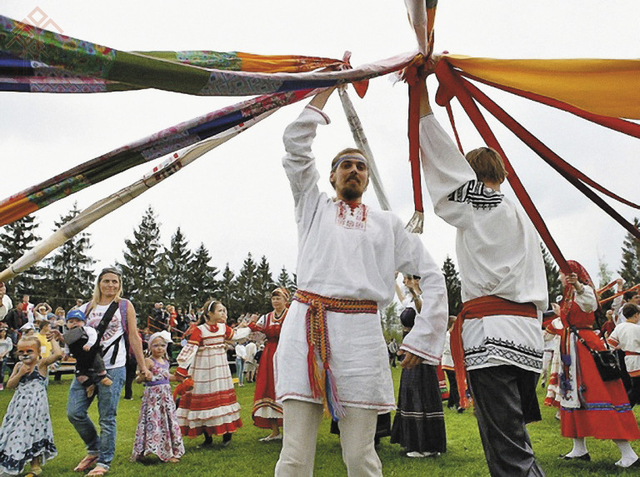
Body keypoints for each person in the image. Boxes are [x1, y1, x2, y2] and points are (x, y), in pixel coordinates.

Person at [274, 88, 448, 476]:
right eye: (345, 165)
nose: (354, 170)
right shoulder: (313, 206)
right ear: (332, 175)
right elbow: (295, 144)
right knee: (295, 455)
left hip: (361, 338)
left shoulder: (388, 224)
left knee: (361, 456)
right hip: (305, 329)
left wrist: (422, 336)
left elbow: (433, 275)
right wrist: (323, 91)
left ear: (368, 178)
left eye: (361, 166)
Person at [418, 67, 547, 476]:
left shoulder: (482, 203)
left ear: (472, 177)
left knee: (507, 450)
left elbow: (438, 153)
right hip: (526, 335)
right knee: (514, 443)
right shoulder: (520, 213)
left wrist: (419, 93)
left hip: (495, 335)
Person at [553, 262, 640, 468]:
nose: (561, 278)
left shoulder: (584, 292)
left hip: (584, 348)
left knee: (598, 393)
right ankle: (579, 448)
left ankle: (628, 454)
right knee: (572, 395)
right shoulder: (567, 297)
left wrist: (579, 287)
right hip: (571, 349)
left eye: (563, 274)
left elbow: (590, 305)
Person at [67, 267, 150, 476]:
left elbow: (133, 336)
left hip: (113, 367)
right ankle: (94, 448)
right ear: (99, 283)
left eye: (115, 282)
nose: (111, 285)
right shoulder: (86, 307)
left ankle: (104, 461)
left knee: (107, 417)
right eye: (106, 281)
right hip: (87, 368)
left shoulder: (124, 306)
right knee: (74, 412)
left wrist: (143, 366)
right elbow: (75, 336)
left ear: (119, 285)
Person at [175, 299, 250, 447]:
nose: (224, 313)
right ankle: (207, 437)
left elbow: (236, 335)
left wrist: (250, 327)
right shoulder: (200, 330)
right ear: (209, 313)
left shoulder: (223, 328)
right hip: (203, 368)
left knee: (222, 399)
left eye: (224, 310)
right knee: (204, 400)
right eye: (220, 310)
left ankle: (227, 436)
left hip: (220, 368)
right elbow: (191, 348)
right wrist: (182, 367)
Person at [391, 274, 446, 458]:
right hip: (409, 348)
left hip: (420, 350)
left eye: (408, 278)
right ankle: (414, 442)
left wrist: (415, 292)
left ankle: (426, 445)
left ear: (417, 280)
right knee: (411, 392)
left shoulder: (424, 299)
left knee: (421, 392)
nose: (405, 281)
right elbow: (401, 298)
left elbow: (423, 312)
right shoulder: (409, 301)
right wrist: (393, 280)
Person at [0, 333, 63, 476]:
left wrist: (52, 339)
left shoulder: (41, 364)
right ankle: (12, 461)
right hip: (18, 406)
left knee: (35, 432)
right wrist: (19, 374)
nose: (25, 354)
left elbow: (58, 354)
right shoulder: (18, 366)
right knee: (16, 432)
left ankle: (35, 466)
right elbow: (10, 385)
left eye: (29, 351)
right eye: (21, 352)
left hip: (36, 407)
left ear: (38, 352)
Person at [131, 331, 185, 463]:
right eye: (156, 345)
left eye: (162, 345)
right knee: (152, 421)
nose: (160, 348)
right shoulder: (148, 361)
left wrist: (177, 378)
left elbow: (166, 376)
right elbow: (138, 379)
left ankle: (168, 450)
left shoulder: (166, 362)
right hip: (153, 398)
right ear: (150, 347)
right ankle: (145, 449)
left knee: (166, 421)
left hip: (165, 397)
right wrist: (145, 375)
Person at [248, 288, 290, 441]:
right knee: (268, 387)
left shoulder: (291, 315)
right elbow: (256, 332)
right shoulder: (266, 317)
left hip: (286, 352)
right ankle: (275, 431)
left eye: (278, 298)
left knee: (286, 387)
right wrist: (251, 323)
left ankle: (292, 431)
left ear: (286, 300)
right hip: (269, 354)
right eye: (273, 299)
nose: (275, 301)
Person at [64, 309, 113, 398]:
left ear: (84, 322)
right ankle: (89, 385)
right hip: (80, 358)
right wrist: (66, 354)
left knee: (97, 361)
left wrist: (89, 344)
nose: (75, 323)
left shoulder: (86, 329)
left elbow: (93, 335)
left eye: (78, 321)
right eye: (71, 322)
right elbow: (67, 344)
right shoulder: (68, 335)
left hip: (91, 353)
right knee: (79, 374)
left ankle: (103, 377)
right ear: (67, 324)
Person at [607, 303, 640, 407]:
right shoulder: (637, 329)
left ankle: (623, 408)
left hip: (628, 360)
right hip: (638, 359)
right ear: (636, 315)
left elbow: (611, 344)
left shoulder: (619, 327)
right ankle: (623, 409)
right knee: (636, 389)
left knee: (636, 387)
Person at [0, 323, 12, 391]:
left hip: (4, 356)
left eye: (4, 332)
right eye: (2, 332)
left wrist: (3, 354)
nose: (3, 333)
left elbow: (10, 347)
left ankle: (1, 383)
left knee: (2, 370)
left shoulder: (8, 339)